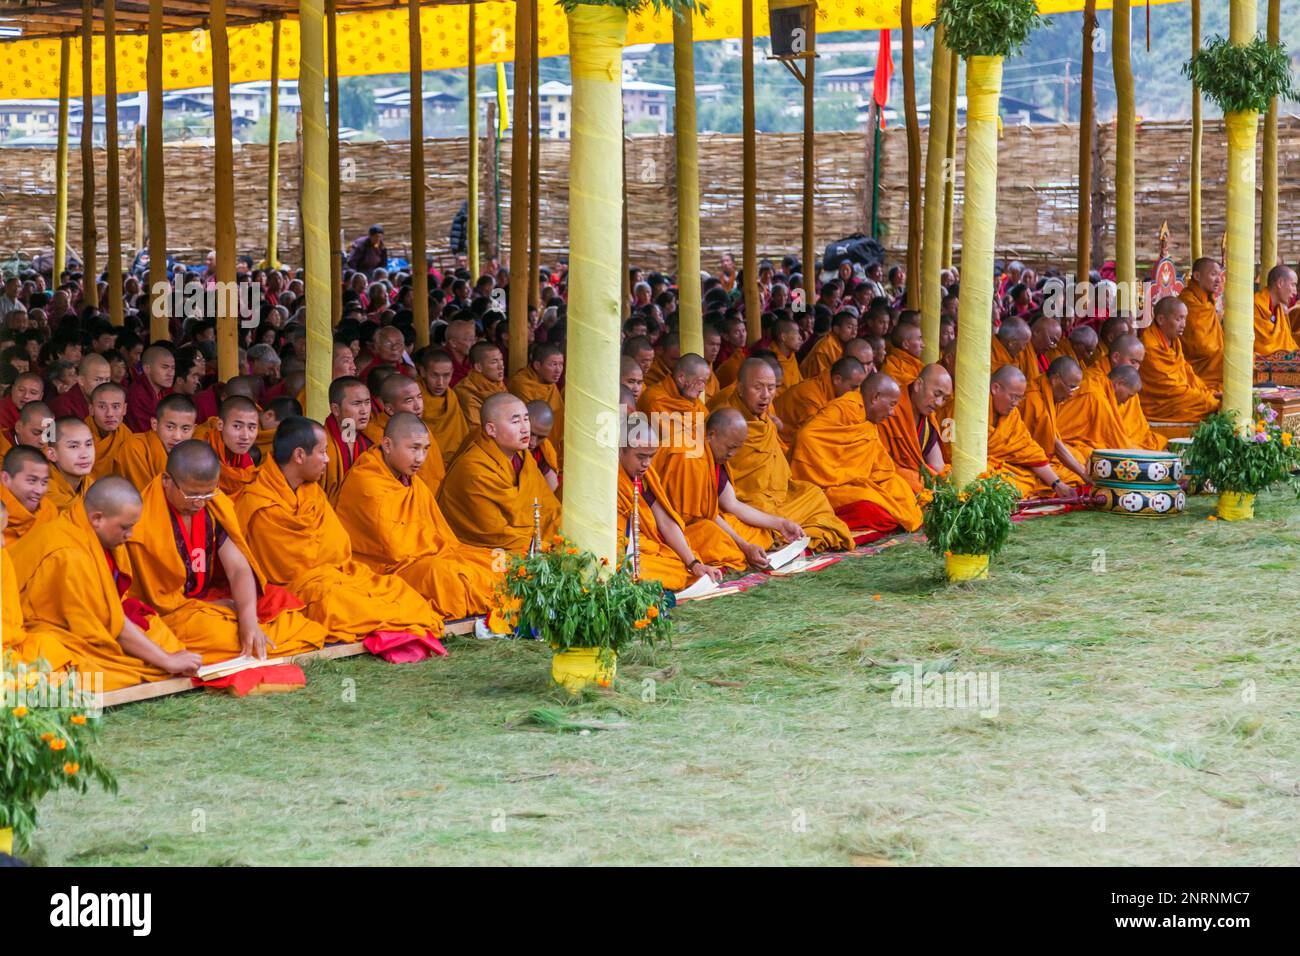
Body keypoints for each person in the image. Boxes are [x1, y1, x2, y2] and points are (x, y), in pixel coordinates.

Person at [235, 417, 447, 660]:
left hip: (336, 573)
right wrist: (331, 574)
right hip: (300, 587)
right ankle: (394, 626)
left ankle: (398, 625)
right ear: (299, 456)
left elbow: (338, 548)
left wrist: (340, 574)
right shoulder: (259, 503)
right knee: (337, 602)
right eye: (322, 452)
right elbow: (285, 570)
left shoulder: (310, 490)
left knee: (396, 589)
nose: (327, 459)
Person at [124, 440, 328, 663]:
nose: (199, 504)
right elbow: (156, 602)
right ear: (166, 481)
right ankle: (253, 642)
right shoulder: (142, 519)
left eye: (207, 494)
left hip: (211, 598)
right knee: (215, 633)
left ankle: (252, 638)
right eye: (192, 495)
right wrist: (212, 608)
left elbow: (238, 569)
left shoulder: (215, 504)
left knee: (284, 608)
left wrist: (248, 619)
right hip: (174, 613)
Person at [8, 476, 200, 688]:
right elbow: (103, 626)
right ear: (97, 518)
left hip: (91, 624)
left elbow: (111, 612)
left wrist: (166, 656)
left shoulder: (88, 530)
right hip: (48, 630)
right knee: (93, 672)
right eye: (125, 527)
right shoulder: (68, 555)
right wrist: (166, 660)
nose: (130, 535)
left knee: (161, 636)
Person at [336, 413, 502, 622]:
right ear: (387, 445)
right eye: (413, 448)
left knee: (494, 561)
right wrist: (436, 552)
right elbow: (394, 550)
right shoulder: (367, 483)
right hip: (387, 569)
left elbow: (439, 534)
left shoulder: (410, 481)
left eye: (425, 449)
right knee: (446, 574)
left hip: (424, 557)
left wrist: (441, 551)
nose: (421, 458)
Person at [719, 358, 854, 552]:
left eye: (771, 388)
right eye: (758, 388)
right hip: (749, 501)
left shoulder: (764, 419)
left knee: (813, 494)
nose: (766, 395)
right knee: (754, 516)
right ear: (740, 388)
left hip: (780, 496)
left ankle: (785, 530)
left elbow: (776, 463)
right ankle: (782, 530)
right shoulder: (726, 420)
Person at [789, 373, 923, 541]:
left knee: (903, 492)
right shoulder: (845, 408)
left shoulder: (868, 421)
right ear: (875, 397)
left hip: (857, 480)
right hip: (828, 485)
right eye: (891, 405)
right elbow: (806, 436)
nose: (892, 412)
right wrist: (834, 473)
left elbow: (879, 466)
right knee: (876, 511)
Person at [437, 393, 560, 552]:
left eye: (526, 419)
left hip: (526, 539)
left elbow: (548, 509)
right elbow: (495, 534)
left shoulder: (524, 458)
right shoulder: (473, 469)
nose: (525, 428)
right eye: (516, 421)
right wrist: (544, 548)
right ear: (491, 429)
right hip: (482, 549)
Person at [617, 423, 724, 590]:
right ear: (621, 449)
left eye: (651, 456)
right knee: (635, 567)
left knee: (708, 535)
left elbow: (665, 522)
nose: (646, 463)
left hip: (650, 545)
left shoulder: (646, 475)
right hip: (623, 550)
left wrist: (694, 563)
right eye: (640, 456)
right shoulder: (610, 475)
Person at [985, 365, 1075, 498]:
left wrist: (1057, 484)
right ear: (995, 388)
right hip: (978, 467)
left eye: (1020, 398)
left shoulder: (1012, 415)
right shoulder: (974, 406)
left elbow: (1028, 449)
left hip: (1000, 467)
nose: (1016, 403)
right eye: (1013, 397)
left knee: (1027, 478)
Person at [1058, 365, 1167, 465]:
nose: (1126, 401)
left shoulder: (1101, 388)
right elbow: (1116, 441)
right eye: (1129, 396)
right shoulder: (1096, 396)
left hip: (1076, 442)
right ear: (1119, 383)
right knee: (1095, 458)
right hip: (1061, 442)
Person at [1138, 296, 1219, 426]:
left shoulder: (1174, 341)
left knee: (1210, 399)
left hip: (1178, 396)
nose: (1184, 324)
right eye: (1178, 319)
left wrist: (1205, 391)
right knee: (1209, 404)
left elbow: (1187, 372)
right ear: (1161, 319)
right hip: (1160, 403)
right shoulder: (1149, 346)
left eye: (1184, 318)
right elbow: (1168, 386)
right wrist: (1203, 397)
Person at [366, 372, 445, 497]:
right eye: (409, 400)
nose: (418, 406)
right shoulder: (377, 436)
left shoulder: (420, 428)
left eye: (419, 397)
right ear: (389, 409)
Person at [1015, 356, 1089, 488]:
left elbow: (1051, 438)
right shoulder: (1033, 398)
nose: (1072, 394)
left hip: (1038, 456)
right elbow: (1054, 444)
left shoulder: (1049, 394)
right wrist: (1083, 474)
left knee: (1078, 459)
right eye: (1071, 387)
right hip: (1021, 459)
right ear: (1055, 380)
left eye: (1076, 389)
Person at [878, 363, 952, 492]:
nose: (939, 403)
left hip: (914, 483)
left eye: (944, 398)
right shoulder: (891, 408)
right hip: (890, 481)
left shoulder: (928, 419)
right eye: (936, 394)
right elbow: (880, 464)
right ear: (918, 385)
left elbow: (937, 465)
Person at [773, 356, 868, 446]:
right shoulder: (811, 396)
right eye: (853, 387)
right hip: (782, 441)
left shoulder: (832, 389)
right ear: (837, 380)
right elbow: (813, 437)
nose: (856, 392)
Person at [113, 394, 197, 490]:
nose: (177, 437)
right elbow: (144, 496)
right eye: (170, 427)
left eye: (185, 429)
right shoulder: (134, 447)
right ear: (155, 424)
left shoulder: (194, 455)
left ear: (194, 429)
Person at [322, 376, 374, 505]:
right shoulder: (320, 444)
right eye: (356, 404)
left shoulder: (371, 441)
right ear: (336, 409)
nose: (364, 411)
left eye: (367, 402)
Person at [414, 348, 470, 468]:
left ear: (452, 372)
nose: (440, 383)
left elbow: (461, 436)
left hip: (453, 461)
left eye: (446, 376)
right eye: (434, 375)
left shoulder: (451, 396)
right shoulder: (414, 397)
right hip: (423, 462)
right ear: (423, 372)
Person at [507, 342, 565, 456]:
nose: (558, 370)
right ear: (537, 365)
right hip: (530, 445)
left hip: (551, 445)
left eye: (561, 364)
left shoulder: (549, 383)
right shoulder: (522, 384)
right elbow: (531, 423)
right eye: (553, 364)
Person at [200, 396, 261, 498]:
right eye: (237, 426)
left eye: (251, 427)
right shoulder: (200, 452)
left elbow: (252, 482)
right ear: (220, 425)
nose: (245, 436)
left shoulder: (243, 455)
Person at [1177, 258, 1223, 389]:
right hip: (1197, 368)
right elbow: (1201, 348)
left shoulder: (1208, 303)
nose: (1218, 280)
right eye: (1213, 274)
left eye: (1219, 275)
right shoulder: (1187, 303)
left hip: (1212, 364)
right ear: (1197, 276)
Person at [0, 445, 56, 545]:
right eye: (32, 481)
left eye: (44, 482)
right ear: (5, 478)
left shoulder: (49, 511)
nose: (39, 490)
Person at [42, 417, 96, 510]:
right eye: (74, 446)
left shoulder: (90, 486)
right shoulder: (41, 488)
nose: (84, 454)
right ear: (52, 454)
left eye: (88, 444)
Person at [453, 342, 508, 427]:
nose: (501, 366)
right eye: (494, 362)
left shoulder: (498, 384)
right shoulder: (466, 391)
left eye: (501, 360)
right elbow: (476, 429)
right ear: (479, 367)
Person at [124, 345, 175, 432]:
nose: (171, 373)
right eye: (165, 367)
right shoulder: (138, 395)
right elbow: (147, 432)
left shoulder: (164, 391)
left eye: (173, 368)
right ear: (147, 368)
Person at [88, 381, 131, 479]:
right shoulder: (79, 435)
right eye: (102, 407)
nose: (109, 414)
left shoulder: (126, 435)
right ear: (91, 409)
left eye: (116, 406)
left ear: (124, 409)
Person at [49, 353, 111, 421]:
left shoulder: (110, 402)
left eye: (107, 379)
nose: (104, 385)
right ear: (81, 381)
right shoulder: (63, 406)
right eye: (98, 379)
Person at [800, 310, 858, 380]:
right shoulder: (825, 348)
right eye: (850, 327)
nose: (854, 332)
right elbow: (822, 380)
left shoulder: (843, 345)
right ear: (836, 329)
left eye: (856, 328)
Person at [1255, 264, 1299, 356]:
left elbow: (1287, 343)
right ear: (1280, 283)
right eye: (1293, 285)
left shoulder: (1279, 311)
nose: (1295, 291)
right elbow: (1263, 348)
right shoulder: (1256, 306)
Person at [524, 400, 561, 494]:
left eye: (541, 437)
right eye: (530, 433)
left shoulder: (543, 450)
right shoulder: (505, 444)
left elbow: (552, 491)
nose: (532, 443)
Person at [880, 322, 924, 387]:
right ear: (906, 344)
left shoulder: (915, 363)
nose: (923, 345)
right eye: (918, 339)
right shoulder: (891, 366)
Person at [444, 318, 478, 387]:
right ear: (453, 343)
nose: (473, 343)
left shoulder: (473, 359)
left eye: (473, 339)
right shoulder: (441, 361)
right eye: (469, 339)